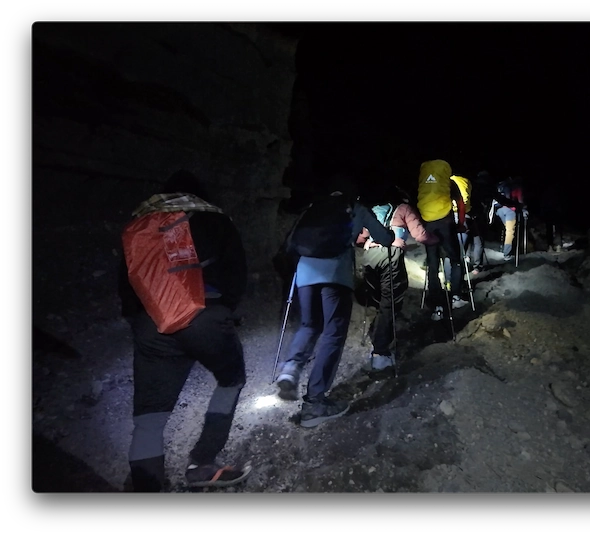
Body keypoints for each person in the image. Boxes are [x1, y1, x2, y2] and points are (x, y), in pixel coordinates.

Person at [118, 170, 251, 491]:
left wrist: (142, 322)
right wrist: (223, 312)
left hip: (153, 323)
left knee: (150, 413)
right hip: (206, 317)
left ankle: (146, 482)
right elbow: (237, 274)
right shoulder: (215, 219)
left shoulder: (140, 224)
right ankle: (202, 464)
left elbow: (126, 285)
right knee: (231, 380)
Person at [275, 174, 394, 427]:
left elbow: (289, 244)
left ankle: (291, 367)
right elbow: (385, 239)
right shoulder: (356, 208)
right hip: (335, 277)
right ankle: (314, 403)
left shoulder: (313, 208)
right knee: (333, 333)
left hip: (305, 275)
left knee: (309, 325)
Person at [356, 184, 439, 371]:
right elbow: (420, 235)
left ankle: (379, 332)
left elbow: (359, 239)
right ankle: (380, 353)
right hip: (389, 257)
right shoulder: (404, 209)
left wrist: (371, 244)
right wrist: (437, 239)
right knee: (390, 302)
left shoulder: (372, 210)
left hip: (370, 258)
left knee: (379, 300)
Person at [416, 159, 470, 321]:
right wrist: (460, 225)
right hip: (445, 222)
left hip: (428, 222)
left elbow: (416, 202)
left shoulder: (423, 183)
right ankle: (455, 297)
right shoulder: (449, 183)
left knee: (433, 265)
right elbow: (460, 203)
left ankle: (437, 307)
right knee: (455, 259)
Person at [450, 174, 485, 275]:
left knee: (460, 245)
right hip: (470, 214)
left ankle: (460, 269)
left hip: (453, 214)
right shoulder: (467, 181)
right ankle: (476, 267)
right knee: (477, 240)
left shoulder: (450, 180)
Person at [492, 176, 527, 260]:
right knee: (510, 232)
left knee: (506, 229)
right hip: (510, 210)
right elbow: (520, 200)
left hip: (499, 210)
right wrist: (523, 209)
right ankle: (507, 254)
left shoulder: (501, 185)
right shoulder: (516, 187)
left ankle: (504, 249)